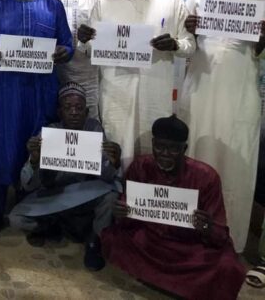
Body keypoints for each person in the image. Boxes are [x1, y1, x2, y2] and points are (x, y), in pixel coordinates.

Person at [0, 0, 74, 238]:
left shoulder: (53, 6)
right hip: (7, 92)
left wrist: (64, 52)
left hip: (43, 91)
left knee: (40, 149)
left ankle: (35, 216)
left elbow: (68, 45)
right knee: (2, 150)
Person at [178, 0, 265, 253]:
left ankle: (229, 239)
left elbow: (258, 55)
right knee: (195, 156)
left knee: (235, 166)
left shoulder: (262, 2)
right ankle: (186, 233)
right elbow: (183, 43)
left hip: (240, 98)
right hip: (200, 92)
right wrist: (189, 29)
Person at [77, 0, 195, 167]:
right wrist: (83, 40)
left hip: (156, 93)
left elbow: (190, 46)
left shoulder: (172, 1)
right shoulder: (105, 3)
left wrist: (174, 45)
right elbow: (91, 49)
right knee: (117, 150)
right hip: (115, 94)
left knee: (152, 151)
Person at [102, 115, 245, 300]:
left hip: (189, 245)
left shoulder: (206, 176)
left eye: (173, 149)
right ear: (152, 144)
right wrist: (122, 213)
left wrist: (206, 226)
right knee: (111, 238)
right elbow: (127, 213)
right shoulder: (140, 166)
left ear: (184, 149)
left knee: (228, 267)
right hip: (151, 238)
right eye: (159, 147)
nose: (165, 154)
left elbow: (219, 231)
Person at [9, 82, 121, 270]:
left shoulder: (94, 129)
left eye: (79, 108)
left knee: (111, 196)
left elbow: (107, 177)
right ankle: (53, 226)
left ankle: (94, 242)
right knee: (16, 218)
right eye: (68, 108)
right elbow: (28, 185)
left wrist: (114, 162)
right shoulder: (49, 133)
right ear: (60, 112)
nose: (74, 112)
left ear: (86, 112)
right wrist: (34, 161)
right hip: (55, 196)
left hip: (85, 194)